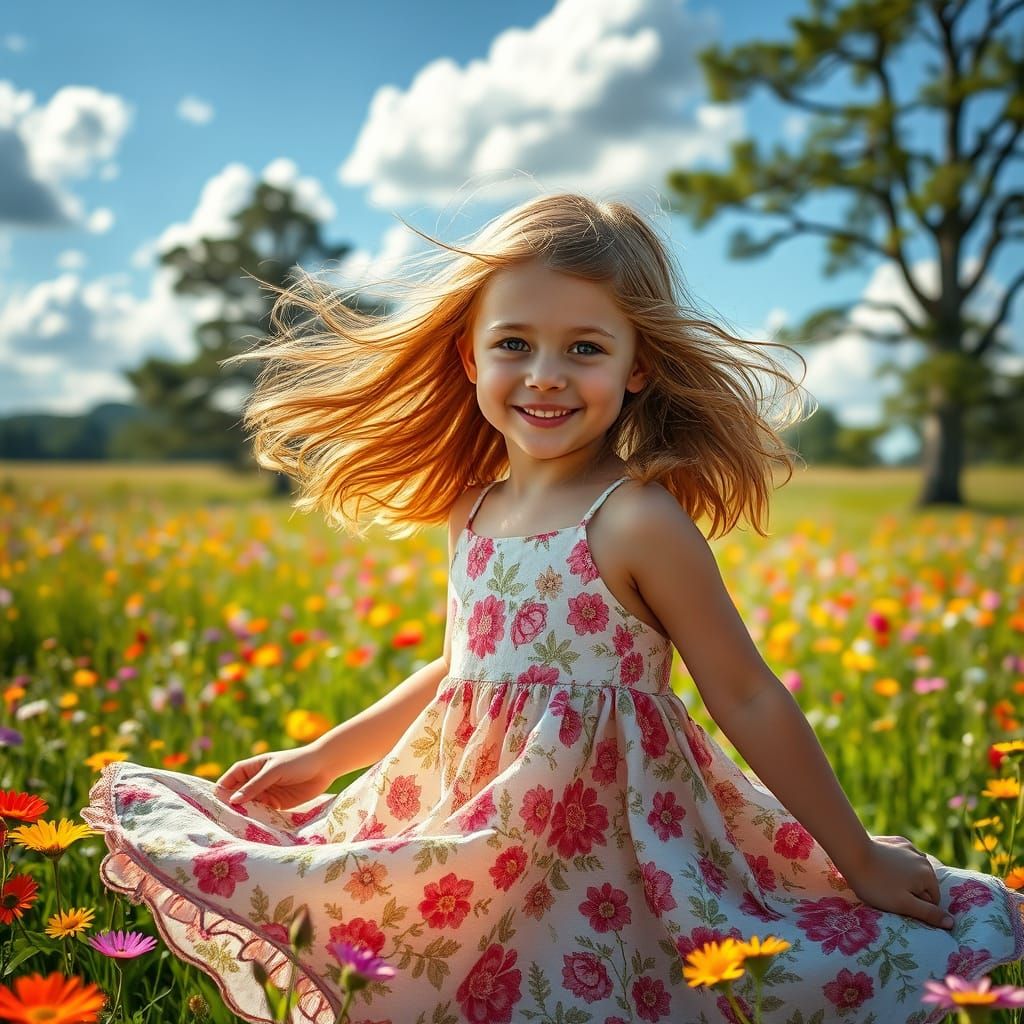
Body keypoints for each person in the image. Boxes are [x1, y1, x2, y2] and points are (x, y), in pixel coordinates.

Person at [81, 192, 1023, 1024]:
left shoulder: (638, 521)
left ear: (637, 366)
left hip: (613, 849)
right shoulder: (473, 511)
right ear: (468, 355)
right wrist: (323, 757)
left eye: (585, 348)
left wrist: (854, 855)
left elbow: (746, 695)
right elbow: (462, 668)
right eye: (514, 345)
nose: (545, 374)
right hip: (477, 826)